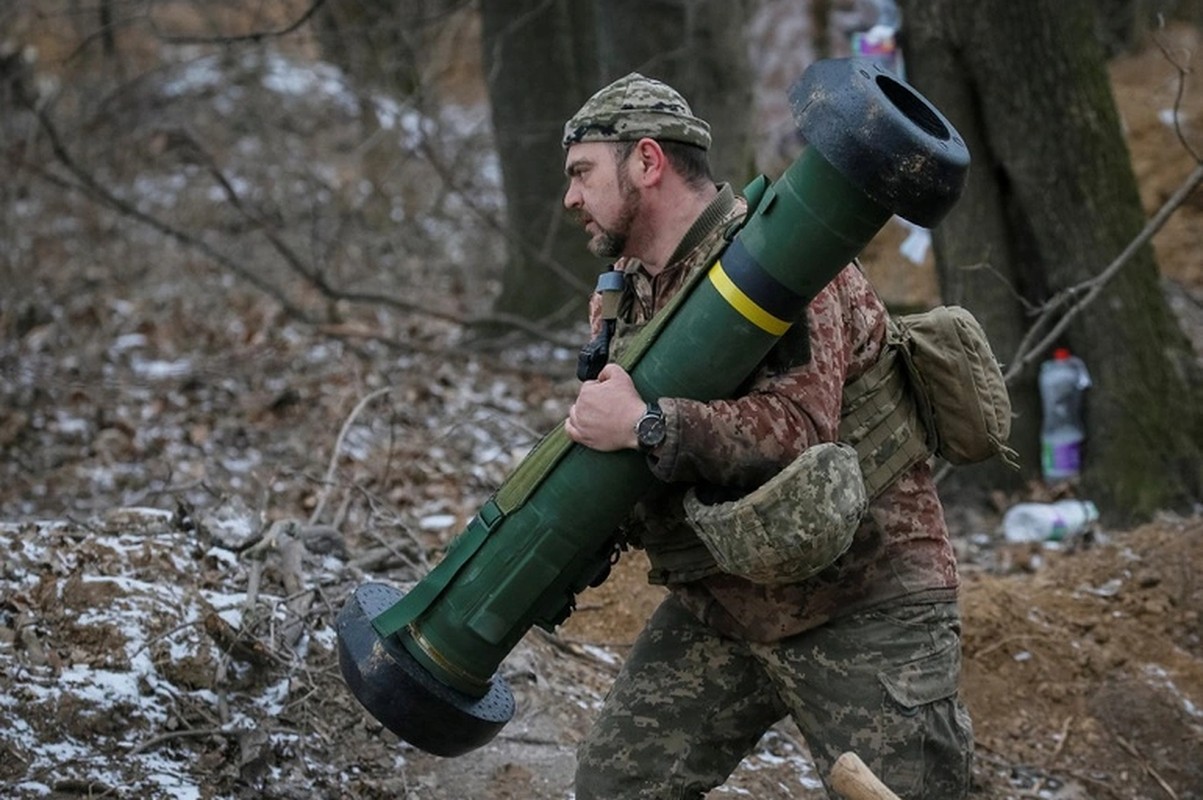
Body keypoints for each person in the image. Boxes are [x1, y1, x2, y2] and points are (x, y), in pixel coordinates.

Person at [559, 72, 974, 799]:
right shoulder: (630, 291)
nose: (569, 198)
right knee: (616, 786)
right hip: (722, 605)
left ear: (646, 163)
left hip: (864, 602)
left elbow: (795, 431)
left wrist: (646, 424)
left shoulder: (786, 257)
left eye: (581, 173)